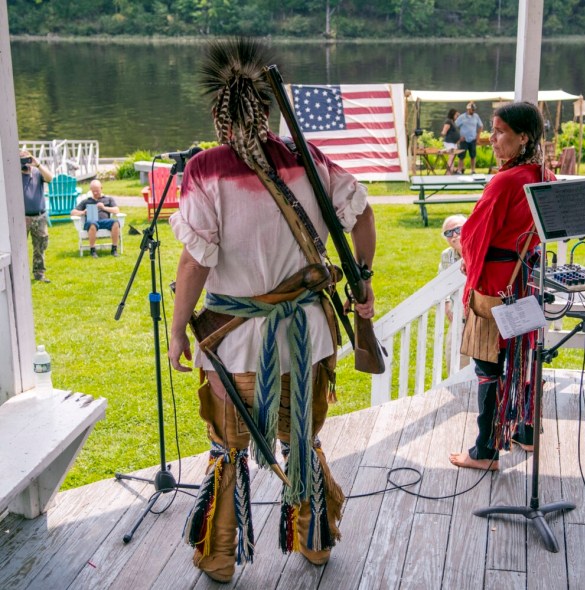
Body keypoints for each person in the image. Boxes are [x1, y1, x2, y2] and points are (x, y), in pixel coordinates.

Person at [167, 38, 376, 583]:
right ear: (266, 111)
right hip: (306, 336)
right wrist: (363, 278)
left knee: (229, 450)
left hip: (235, 344)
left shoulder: (205, 169)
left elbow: (194, 265)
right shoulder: (306, 160)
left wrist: (175, 333)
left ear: (219, 115)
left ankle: (218, 556)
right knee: (301, 438)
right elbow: (364, 217)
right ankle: (315, 542)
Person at [449, 102, 553, 471]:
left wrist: (465, 263)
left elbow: (474, 238)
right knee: (523, 357)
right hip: (526, 282)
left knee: (487, 364)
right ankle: (524, 432)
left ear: (523, 136)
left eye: (499, 132)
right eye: (491, 130)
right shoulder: (544, 175)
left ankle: (485, 451)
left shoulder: (504, 181)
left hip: (496, 285)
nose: (490, 138)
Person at [439, 214, 470, 372]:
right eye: (448, 233)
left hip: (479, 313)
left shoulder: (477, 249)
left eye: (458, 229)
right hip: (457, 315)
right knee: (453, 357)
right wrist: (446, 303)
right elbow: (441, 282)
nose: (454, 235)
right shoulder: (447, 255)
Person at [20, 150, 54, 282]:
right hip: (22, 217)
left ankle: (39, 274)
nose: (25, 162)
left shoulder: (37, 172)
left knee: (40, 246)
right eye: (21, 160)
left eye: (26, 159)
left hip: (40, 216)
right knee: (19, 248)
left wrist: (37, 164)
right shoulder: (15, 176)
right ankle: (19, 275)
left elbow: (50, 178)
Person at [71, 180, 121, 258]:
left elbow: (117, 210)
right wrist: (83, 212)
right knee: (92, 224)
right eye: (93, 191)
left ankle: (114, 249)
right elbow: (73, 212)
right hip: (91, 222)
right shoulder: (86, 201)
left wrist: (104, 207)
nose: (95, 193)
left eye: (97, 191)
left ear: (101, 188)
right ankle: (93, 250)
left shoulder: (108, 199)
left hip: (105, 222)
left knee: (115, 223)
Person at [455, 102, 483, 175]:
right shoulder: (462, 117)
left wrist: (478, 136)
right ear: (468, 109)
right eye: (472, 109)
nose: (473, 111)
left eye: (474, 110)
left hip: (473, 139)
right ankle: (459, 170)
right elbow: (455, 126)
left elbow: (480, 126)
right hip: (464, 140)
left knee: (473, 155)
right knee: (461, 156)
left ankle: (473, 170)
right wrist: (459, 137)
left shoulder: (476, 116)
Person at [440, 108, 461, 174]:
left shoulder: (452, 122)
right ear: (453, 114)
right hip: (449, 142)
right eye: (456, 115)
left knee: (453, 157)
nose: (457, 117)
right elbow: (444, 131)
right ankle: (448, 173)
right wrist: (443, 133)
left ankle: (451, 171)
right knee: (451, 157)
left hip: (453, 143)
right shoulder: (448, 121)